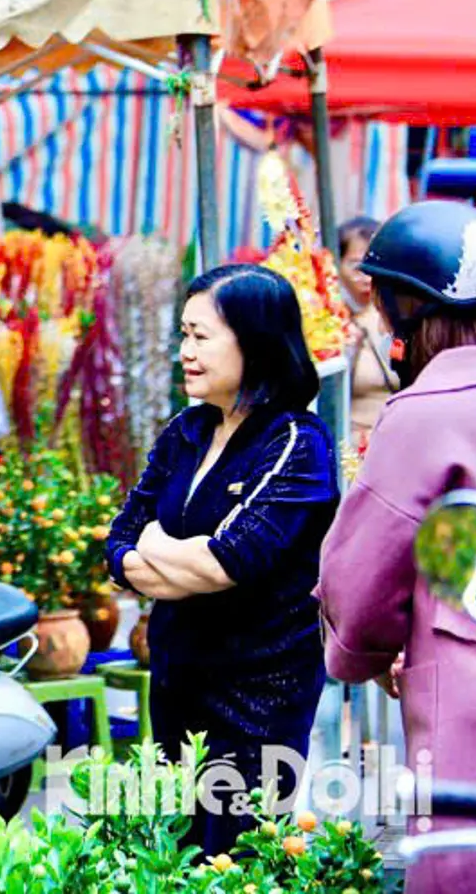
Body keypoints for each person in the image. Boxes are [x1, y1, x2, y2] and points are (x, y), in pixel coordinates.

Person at [105, 264, 338, 859]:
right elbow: (118, 543)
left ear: (255, 343)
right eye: (182, 335)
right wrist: (173, 558)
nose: (185, 351)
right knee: (174, 850)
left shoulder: (295, 442)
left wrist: (158, 549)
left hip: (259, 691)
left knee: (236, 855)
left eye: (201, 336)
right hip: (179, 676)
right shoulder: (186, 430)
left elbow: (230, 561)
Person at [317, 201, 476, 894]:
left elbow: (357, 587)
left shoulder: (426, 417)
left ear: (407, 313)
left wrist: (364, 651)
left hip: (469, 759)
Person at [337, 216, 400, 439]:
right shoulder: (326, 321)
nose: (365, 277)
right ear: (336, 265)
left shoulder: (395, 318)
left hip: (392, 437)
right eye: (356, 266)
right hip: (349, 444)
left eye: (373, 267)